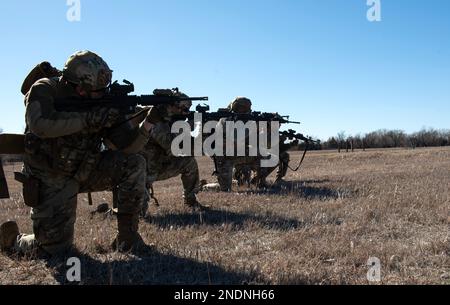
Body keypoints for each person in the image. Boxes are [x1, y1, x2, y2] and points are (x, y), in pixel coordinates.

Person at [0, 50, 153, 256]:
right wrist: (89, 120)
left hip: (86, 168)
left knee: (134, 163)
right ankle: (12, 240)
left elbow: (128, 147)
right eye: (93, 91)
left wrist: (149, 123)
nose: (100, 95)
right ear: (77, 86)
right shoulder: (45, 88)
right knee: (53, 252)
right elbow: (40, 125)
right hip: (51, 177)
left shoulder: (102, 102)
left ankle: (128, 238)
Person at [139, 88, 202, 216]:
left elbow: (185, 147)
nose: (186, 113)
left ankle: (191, 200)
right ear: (173, 106)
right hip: (141, 172)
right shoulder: (155, 119)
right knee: (138, 213)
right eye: (184, 109)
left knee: (189, 161)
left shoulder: (170, 121)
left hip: (157, 165)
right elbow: (171, 146)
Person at [208, 97, 261, 192]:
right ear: (233, 108)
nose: (242, 110)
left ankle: (259, 181)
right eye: (239, 108)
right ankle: (205, 186)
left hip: (238, 154)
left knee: (264, 155)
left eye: (244, 108)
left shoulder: (249, 122)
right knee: (225, 189)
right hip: (224, 158)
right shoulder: (224, 121)